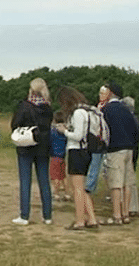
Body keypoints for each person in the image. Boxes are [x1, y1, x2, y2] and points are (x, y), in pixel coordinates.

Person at [11, 78, 53, 225]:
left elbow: (15, 123)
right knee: (44, 181)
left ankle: (24, 215)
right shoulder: (47, 108)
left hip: (26, 146)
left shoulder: (24, 106)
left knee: (25, 180)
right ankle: (47, 216)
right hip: (43, 147)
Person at [56, 86, 99, 230]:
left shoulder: (78, 113)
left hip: (77, 151)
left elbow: (78, 136)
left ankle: (80, 220)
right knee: (82, 187)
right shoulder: (87, 111)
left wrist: (65, 131)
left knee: (77, 188)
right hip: (85, 151)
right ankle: (91, 219)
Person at [100, 81, 139, 226]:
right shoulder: (126, 109)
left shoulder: (107, 109)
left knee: (116, 183)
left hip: (115, 148)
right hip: (129, 148)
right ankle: (126, 213)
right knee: (127, 183)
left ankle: (117, 215)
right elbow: (135, 128)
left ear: (110, 93)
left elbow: (103, 130)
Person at [84, 86, 108, 200]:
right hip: (97, 140)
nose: (100, 96)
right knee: (94, 164)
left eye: (103, 93)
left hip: (104, 140)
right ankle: (90, 186)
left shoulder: (107, 107)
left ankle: (93, 187)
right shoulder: (97, 108)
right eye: (100, 93)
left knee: (104, 167)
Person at [122, 95, 139, 217]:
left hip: (130, 150)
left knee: (129, 181)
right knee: (129, 180)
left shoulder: (129, 119)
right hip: (134, 149)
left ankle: (131, 206)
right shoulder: (134, 119)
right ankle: (130, 206)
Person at [50, 110, 71, 202]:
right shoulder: (65, 131)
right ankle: (67, 194)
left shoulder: (53, 131)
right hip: (62, 156)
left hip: (54, 156)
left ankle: (56, 193)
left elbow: (49, 141)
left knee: (55, 177)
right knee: (63, 176)